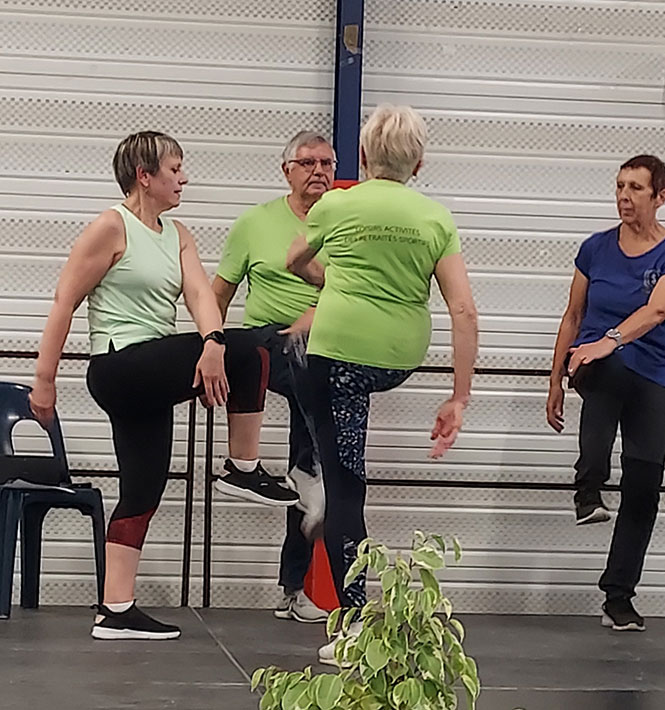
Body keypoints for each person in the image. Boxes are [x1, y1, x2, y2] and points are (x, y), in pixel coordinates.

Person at [29, 131, 295, 641]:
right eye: (175, 169)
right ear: (144, 176)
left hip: (150, 373)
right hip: (119, 365)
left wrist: (212, 340)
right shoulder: (111, 227)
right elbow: (64, 301)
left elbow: (199, 294)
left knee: (142, 490)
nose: (184, 178)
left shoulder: (178, 234)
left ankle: (116, 609)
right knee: (253, 350)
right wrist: (45, 382)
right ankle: (243, 468)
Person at [286, 105, 479, 665]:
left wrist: (332, 279)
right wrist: (459, 397)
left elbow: (293, 259)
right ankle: (319, 467)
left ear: (363, 157)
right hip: (396, 359)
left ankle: (349, 624)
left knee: (292, 348)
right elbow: (463, 310)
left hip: (338, 353)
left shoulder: (336, 204)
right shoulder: (435, 218)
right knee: (338, 418)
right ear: (418, 163)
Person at [546, 155, 665, 632]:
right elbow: (573, 316)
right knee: (605, 369)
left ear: (660, 196)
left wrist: (609, 339)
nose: (624, 197)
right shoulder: (595, 249)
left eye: (635, 188)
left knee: (644, 488)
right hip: (596, 365)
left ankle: (618, 596)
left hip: (652, 373)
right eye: (619, 186)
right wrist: (554, 379)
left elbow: (658, 310)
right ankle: (588, 486)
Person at [212, 130, 338, 624]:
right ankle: (303, 474)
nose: (319, 171)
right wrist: (210, 346)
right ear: (286, 170)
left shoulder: (346, 224)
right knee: (305, 380)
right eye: (308, 163)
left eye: (327, 163)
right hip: (265, 344)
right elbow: (219, 292)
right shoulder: (255, 223)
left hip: (323, 345)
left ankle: (293, 587)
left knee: (308, 450)